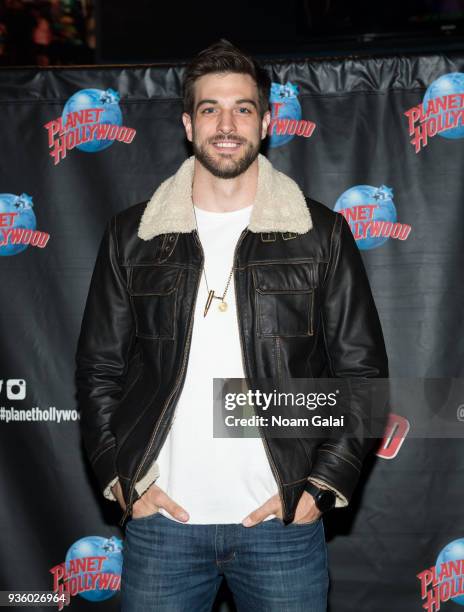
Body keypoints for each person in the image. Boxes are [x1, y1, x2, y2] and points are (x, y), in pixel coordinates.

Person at [75, 39, 388, 612]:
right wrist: (120, 477)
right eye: (210, 109)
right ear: (188, 125)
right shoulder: (133, 236)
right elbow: (100, 368)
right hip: (161, 526)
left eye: (242, 108)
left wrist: (320, 487)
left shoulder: (321, 234)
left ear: (266, 122)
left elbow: (361, 372)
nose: (227, 124)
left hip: (282, 526)